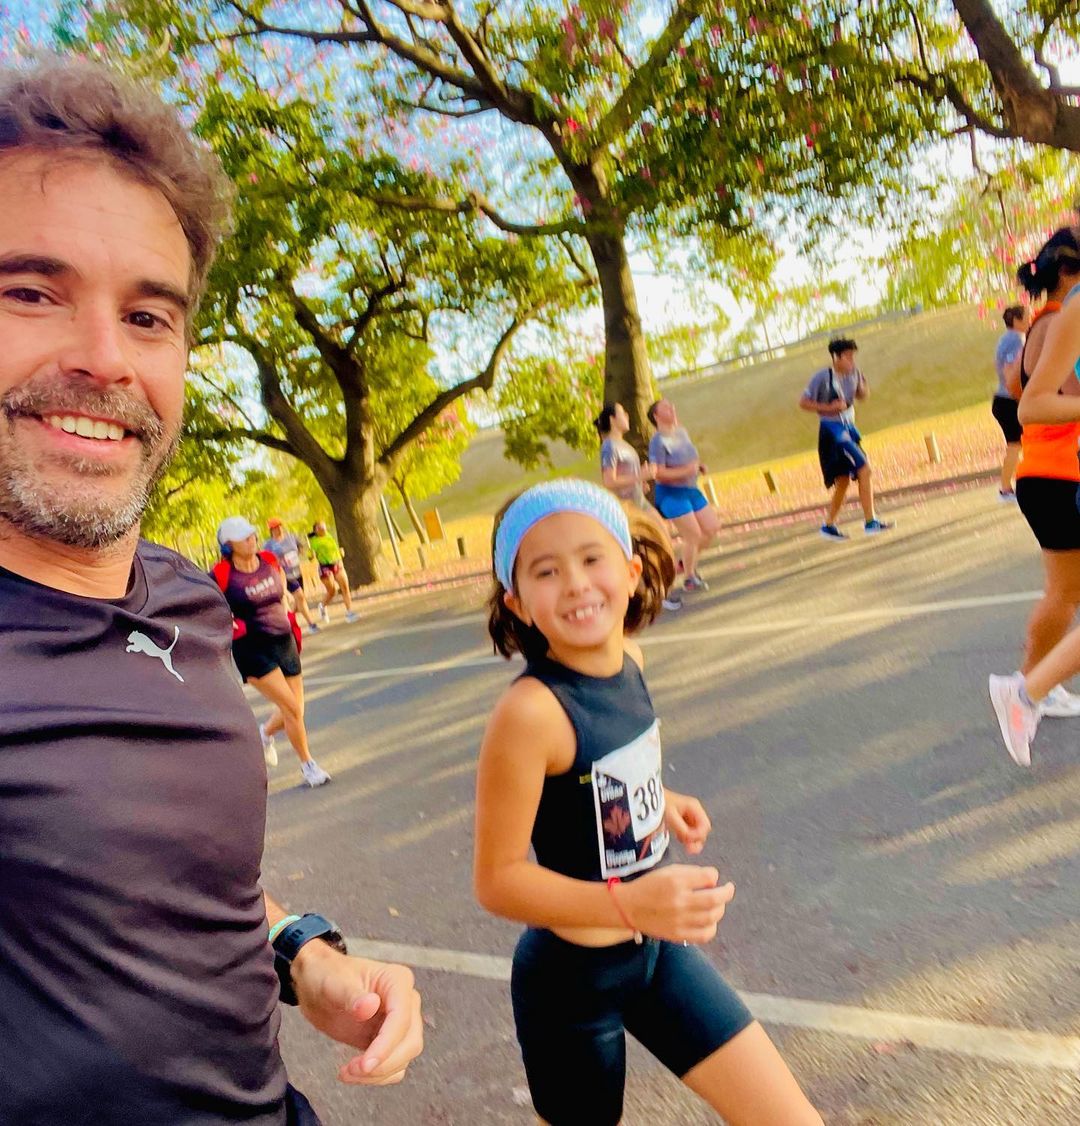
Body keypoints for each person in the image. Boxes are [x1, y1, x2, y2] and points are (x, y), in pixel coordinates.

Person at [0, 59, 422, 1124]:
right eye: (29, 292)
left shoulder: (186, 598)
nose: (105, 359)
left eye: (150, 316)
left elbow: (185, 885)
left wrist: (299, 950)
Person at [473, 479, 823, 1126]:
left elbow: (600, 773)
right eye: (546, 571)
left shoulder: (630, 659)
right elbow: (497, 881)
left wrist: (659, 800)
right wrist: (626, 901)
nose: (576, 583)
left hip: (657, 954)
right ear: (518, 603)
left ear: (631, 572)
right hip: (570, 985)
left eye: (591, 558)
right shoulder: (529, 714)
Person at [990, 225, 1080, 762]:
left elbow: (1014, 381)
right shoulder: (1055, 323)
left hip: (1049, 469)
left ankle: (1033, 687)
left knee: (1064, 594)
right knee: (1063, 595)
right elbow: (1041, 397)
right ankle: (1028, 688)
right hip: (1057, 470)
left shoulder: (1043, 325)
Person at [214, 516, 331, 787]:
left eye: (252, 534)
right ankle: (308, 766)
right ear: (229, 545)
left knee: (297, 708)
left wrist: (290, 606)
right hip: (253, 649)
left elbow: (284, 590)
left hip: (284, 641)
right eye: (244, 537)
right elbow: (204, 607)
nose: (251, 539)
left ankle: (265, 734)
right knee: (291, 708)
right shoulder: (221, 575)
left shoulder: (269, 560)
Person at [799, 337, 892, 541]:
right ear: (836, 357)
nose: (852, 360)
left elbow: (862, 395)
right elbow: (803, 402)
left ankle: (828, 526)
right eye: (848, 356)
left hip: (849, 428)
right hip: (832, 432)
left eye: (853, 356)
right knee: (864, 469)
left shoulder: (854, 373)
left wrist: (864, 390)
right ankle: (870, 522)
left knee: (842, 481)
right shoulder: (822, 378)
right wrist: (828, 408)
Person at [595, 400, 682, 612]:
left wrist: (639, 482)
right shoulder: (609, 447)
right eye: (623, 412)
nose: (627, 415)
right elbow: (608, 481)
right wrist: (639, 475)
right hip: (628, 509)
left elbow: (625, 478)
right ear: (613, 420)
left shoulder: (623, 444)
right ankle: (659, 593)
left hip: (639, 502)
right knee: (655, 545)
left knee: (664, 535)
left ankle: (659, 588)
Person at [646, 397, 721, 592]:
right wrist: (685, 472)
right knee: (693, 534)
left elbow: (690, 460)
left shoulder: (682, 432)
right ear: (656, 416)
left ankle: (684, 563)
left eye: (672, 405)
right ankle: (689, 577)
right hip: (671, 494)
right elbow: (658, 473)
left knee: (712, 528)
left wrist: (698, 466)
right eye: (665, 407)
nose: (672, 408)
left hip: (691, 489)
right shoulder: (657, 442)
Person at [991, 304, 1030, 502]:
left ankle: (1007, 488)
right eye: (1026, 317)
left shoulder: (1007, 339)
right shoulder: (1016, 340)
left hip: (1004, 400)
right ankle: (1006, 490)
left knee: (1018, 444)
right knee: (1016, 445)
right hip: (1009, 401)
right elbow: (1010, 372)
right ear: (1015, 320)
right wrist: (1023, 398)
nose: (1030, 320)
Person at [264, 516, 319, 632]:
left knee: (299, 600)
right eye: (275, 527)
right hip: (283, 575)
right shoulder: (269, 545)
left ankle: (288, 619)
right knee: (300, 596)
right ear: (271, 530)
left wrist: (304, 553)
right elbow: (266, 561)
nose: (279, 529)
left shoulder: (291, 537)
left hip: (297, 571)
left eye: (280, 526)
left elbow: (300, 547)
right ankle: (311, 624)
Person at [309, 519, 358, 623]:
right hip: (325, 567)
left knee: (345, 588)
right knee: (332, 591)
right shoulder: (314, 541)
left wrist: (340, 552)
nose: (323, 528)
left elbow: (334, 549)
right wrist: (311, 555)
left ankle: (349, 612)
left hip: (337, 564)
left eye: (324, 526)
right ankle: (322, 606)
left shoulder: (329, 536)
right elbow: (312, 556)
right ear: (316, 530)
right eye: (320, 527)